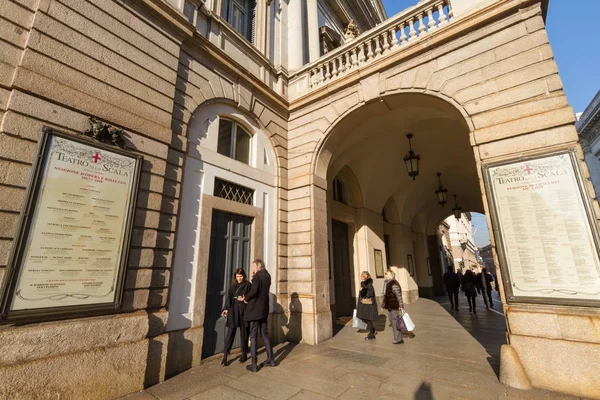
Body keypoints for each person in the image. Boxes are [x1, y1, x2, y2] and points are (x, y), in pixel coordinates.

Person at [242, 259, 275, 372]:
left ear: (258, 266)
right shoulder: (267, 275)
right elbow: (262, 290)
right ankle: (271, 359)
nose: (252, 269)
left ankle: (254, 364)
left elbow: (254, 291)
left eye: (253, 267)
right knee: (264, 334)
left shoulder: (258, 276)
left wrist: (246, 298)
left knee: (253, 336)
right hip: (264, 309)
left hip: (255, 310)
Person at [221, 268, 251, 366]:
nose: (239, 278)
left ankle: (243, 354)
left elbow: (251, 297)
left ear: (244, 276)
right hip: (233, 311)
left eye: (241, 276)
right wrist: (226, 308)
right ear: (235, 276)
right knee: (230, 333)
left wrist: (245, 299)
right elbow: (229, 297)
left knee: (244, 333)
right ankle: (225, 355)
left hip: (243, 311)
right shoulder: (232, 285)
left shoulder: (248, 285)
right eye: (238, 276)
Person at [381, 269, 404, 344]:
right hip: (390, 306)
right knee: (392, 321)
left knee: (395, 322)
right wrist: (384, 304)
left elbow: (399, 296)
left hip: (395, 306)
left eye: (386, 274)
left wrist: (401, 306)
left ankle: (398, 339)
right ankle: (398, 337)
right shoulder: (387, 283)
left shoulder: (393, 284)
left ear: (390, 275)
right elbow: (386, 296)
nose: (384, 275)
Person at [356, 271, 378, 340]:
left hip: (367, 304)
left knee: (367, 318)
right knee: (363, 317)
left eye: (361, 276)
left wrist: (363, 291)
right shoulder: (363, 283)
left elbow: (370, 293)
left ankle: (371, 334)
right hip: (363, 304)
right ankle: (372, 330)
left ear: (364, 276)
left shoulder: (368, 284)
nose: (360, 277)